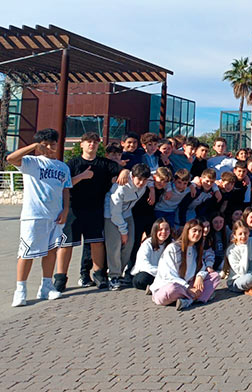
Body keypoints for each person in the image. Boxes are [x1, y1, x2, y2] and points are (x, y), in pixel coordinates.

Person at [9, 129, 81, 307]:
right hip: (34, 215)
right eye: (46, 143)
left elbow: (66, 189)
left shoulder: (62, 166)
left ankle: (46, 286)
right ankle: (21, 290)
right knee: (26, 253)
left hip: (55, 216)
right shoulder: (30, 162)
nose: (50, 147)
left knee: (51, 252)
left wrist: (65, 210)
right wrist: (33, 146)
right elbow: (10, 159)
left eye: (53, 143)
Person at [55, 131, 124, 292]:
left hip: (95, 209)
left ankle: (99, 275)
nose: (91, 144)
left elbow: (120, 172)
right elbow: (64, 185)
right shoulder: (72, 164)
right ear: (82, 144)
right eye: (88, 142)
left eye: (95, 142)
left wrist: (125, 172)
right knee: (67, 244)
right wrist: (83, 176)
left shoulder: (105, 164)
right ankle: (60, 278)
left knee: (96, 242)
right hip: (74, 209)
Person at [150, 219, 221, 311]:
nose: (197, 234)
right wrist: (188, 288)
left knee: (215, 276)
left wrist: (200, 277)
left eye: (200, 231)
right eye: (194, 231)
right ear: (187, 231)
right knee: (172, 289)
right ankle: (195, 298)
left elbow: (201, 267)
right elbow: (169, 275)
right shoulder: (173, 248)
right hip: (170, 285)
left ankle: (187, 300)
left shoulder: (196, 248)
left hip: (188, 284)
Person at [104, 163, 152, 290]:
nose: (141, 183)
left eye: (144, 180)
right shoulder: (121, 187)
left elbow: (156, 177)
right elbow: (115, 212)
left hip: (127, 214)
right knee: (115, 245)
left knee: (129, 244)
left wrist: (151, 189)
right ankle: (113, 276)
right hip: (112, 215)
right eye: (139, 179)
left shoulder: (146, 182)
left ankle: (119, 273)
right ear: (132, 176)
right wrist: (123, 231)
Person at [131, 219, 171, 291]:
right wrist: (160, 273)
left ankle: (155, 288)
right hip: (151, 273)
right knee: (140, 280)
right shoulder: (147, 244)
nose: (164, 232)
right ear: (155, 230)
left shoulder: (172, 244)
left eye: (166, 229)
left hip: (167, 275)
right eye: (160, 229)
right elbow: (144, 264)